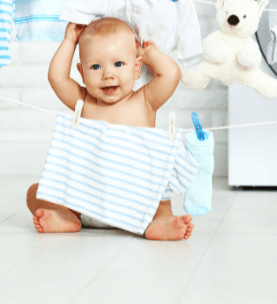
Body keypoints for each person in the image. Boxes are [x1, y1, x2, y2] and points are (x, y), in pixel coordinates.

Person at [26, 17, 195, 240]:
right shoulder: (83, 101)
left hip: (137, 201)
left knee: (160, 194)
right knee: (35, 192)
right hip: (86, 199)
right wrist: (69, 41)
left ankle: (159, 221)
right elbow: (57, 78)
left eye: (118, 64)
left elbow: (171, 74)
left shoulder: (145, 101)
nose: (108, 74)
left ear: (136, 68)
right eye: (96, 66)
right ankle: (67, 216)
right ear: (82, 72)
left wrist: (149, 53)